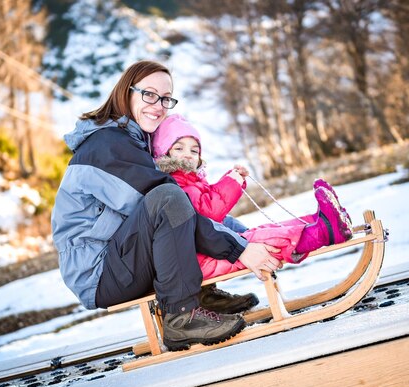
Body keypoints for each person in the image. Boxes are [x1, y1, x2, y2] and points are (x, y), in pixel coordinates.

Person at [51, 61, 282, 351]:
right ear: (126, 93)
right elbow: (170, 208)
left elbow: (190, 214)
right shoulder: (108, 146)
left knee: (180, 198)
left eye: (165, 98)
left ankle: (199, 294)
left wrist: (250, 238)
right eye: (149, 94)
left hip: (120, 258)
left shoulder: (133, 141)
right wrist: (241, 250)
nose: (158, 105)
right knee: (169, 198)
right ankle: (182, 317)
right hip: (99, 273)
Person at [151, 114, 353, 279]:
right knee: (260, 239)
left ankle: (319, 220)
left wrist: (231, 179)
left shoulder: (191, 181)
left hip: (211, 250)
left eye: (194, 150)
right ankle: (324, 231)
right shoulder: (174, 185)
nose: (188, 154)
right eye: (179, 148)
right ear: (163, 154)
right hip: (201, 260)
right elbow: (208, 212)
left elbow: (210, 199)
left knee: (262, 231)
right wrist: (232, 182)